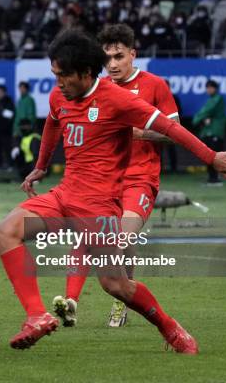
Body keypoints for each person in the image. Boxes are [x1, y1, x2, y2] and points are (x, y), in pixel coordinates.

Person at [0, 29, 226, 351]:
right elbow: (52, 123)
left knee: (115, 284)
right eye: (55, 75)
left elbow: (170, 127)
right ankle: (37, 316)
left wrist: (211, 157)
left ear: (86, 72)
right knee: (5, 232)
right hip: (64, 195)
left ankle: (171, 328)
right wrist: (40, 165)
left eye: (63, 76)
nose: (58, 83)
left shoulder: (118, 100)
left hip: (98, 208)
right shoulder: (59, 96)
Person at [57, 24, 181, 329]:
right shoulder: (93, 89)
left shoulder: (154, 85)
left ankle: (122, 298)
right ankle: (71, 302)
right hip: (104, 183)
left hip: (140, 178)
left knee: (122, 238)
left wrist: (137, 131)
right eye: (107, 57)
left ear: (132, 55)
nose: (112, 63)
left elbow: (174, 131)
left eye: (119, 56)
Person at [192, 80, 226, 186]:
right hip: (207, 132)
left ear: (215, 88)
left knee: (216, 156)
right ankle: (212, 178)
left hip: (215, 132)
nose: (209, 90)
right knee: (208, 156)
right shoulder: (210, 100)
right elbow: (203, 113)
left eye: (211, 87)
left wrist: (198, 119)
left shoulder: (218, 99)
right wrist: (203, 119)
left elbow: (205, 112)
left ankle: (215, 178)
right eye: (207, 88)